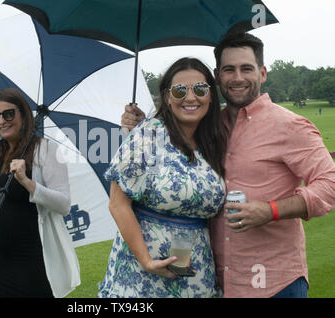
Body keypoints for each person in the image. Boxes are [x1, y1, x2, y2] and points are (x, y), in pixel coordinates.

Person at [121, 32, 335, 298]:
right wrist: (142, 125)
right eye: (228, 70)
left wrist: (271, 211)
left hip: (276, 285)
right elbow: (173, 138)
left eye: (247, 68)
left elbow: (330, 183)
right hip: (218, 281)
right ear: (217, 75)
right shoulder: (209, 128)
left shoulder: (290, 126)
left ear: (263, 73)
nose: (237, 78)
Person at [98, 57, 227, 298]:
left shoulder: (214, 144)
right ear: (168, 97)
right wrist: (146, 261)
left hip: (196, 276)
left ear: (210, 95)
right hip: (141, 278)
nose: (190, 98)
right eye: (180, 91)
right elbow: (117, 203)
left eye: (200, 89)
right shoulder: (148, 134)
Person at [0, 88, 80, 298]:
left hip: (30, 264)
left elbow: (63, 205)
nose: (1, 121)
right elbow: (8, 202)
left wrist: (27, 182)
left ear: (23, 116)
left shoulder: (46, 150)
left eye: (8, 114)